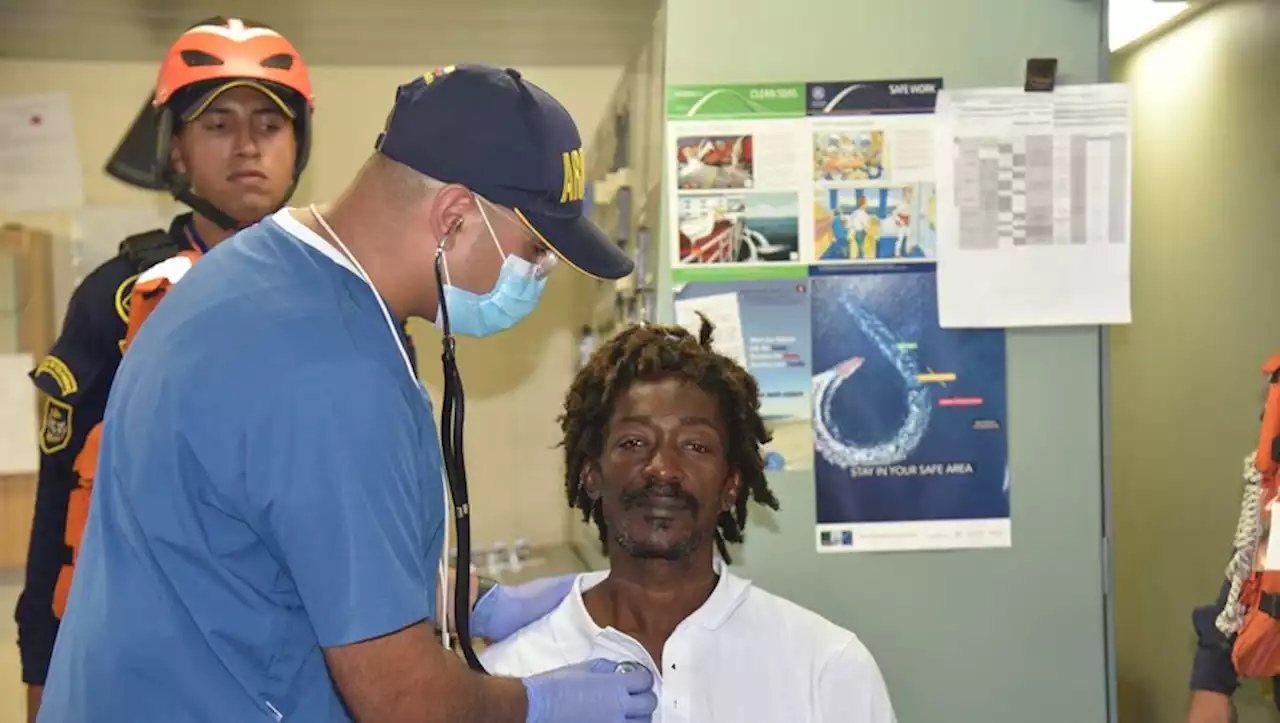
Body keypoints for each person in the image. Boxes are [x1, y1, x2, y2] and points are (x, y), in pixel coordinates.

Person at [37, 64, 655, 723]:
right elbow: (405, 701)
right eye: (535, 249)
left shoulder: (261, 273)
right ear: (452, 219)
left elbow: (280, 553)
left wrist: (475, 602)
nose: (540, 274)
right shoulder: (332, 372)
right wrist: (541, 703)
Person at [16, 16, 340, 721]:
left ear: (297, 148)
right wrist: (39, 661)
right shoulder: (116, 297)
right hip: (136, 664)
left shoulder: (347, 296)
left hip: (304, 660)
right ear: (177, 151)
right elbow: (60, 498)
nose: (248, 144)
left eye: (269, 123)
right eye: (217, 122)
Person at [480, 318, 899, 722]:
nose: (662, 468)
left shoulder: (827, 668)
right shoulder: (509, 681)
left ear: (730, 486)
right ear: (592, 476)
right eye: (634, 442)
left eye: (695, 445)